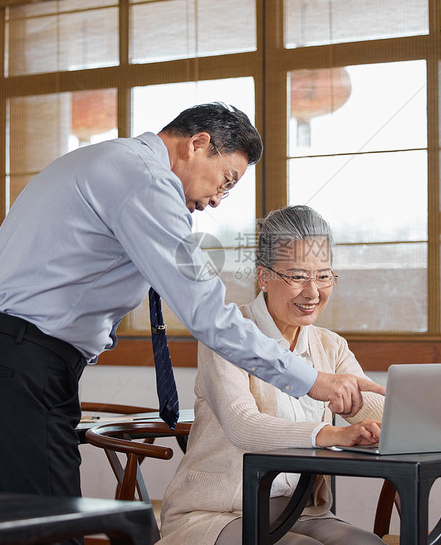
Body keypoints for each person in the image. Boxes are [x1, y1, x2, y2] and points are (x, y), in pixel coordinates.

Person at [0, 103, 385, 503]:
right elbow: (206, 312)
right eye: (225, 181)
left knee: (13, 524)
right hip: (17, 363)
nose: (216, 200)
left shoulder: (112, 162)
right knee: (48, 529)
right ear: (197, 145)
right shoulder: (148, 181)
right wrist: (311, 380)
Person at [158, 205, 385, 545]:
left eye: (323, 276)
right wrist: (332, 434)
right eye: (297, 277)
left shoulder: (330, 346)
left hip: (302, 510)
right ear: (263, 277)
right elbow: (242, 424)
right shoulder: (228, 335)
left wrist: (355, 408)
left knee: (367, 544)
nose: (312, 292)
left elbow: (381, 417)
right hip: (217, 513)